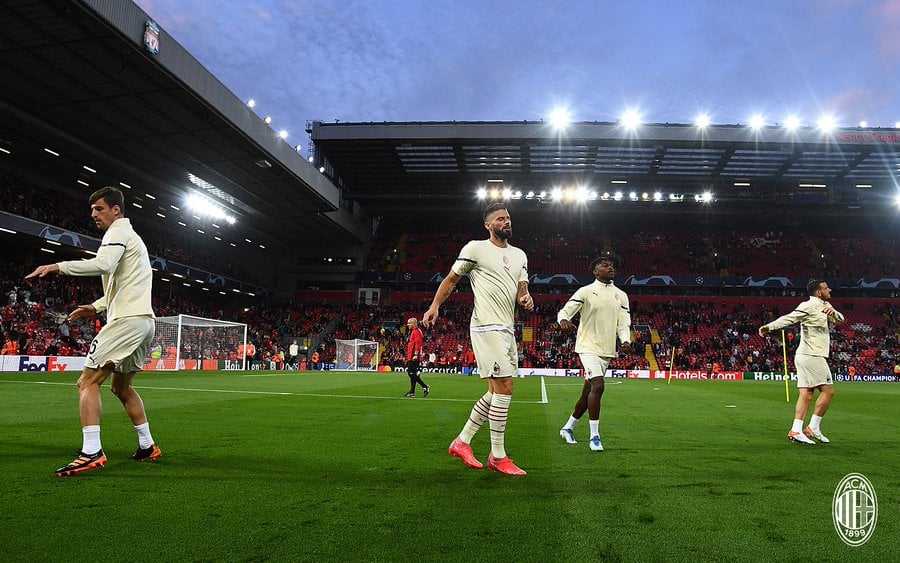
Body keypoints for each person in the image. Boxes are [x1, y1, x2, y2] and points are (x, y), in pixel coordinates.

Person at [25, 186, 161, 476]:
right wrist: (96, 307)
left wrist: (58, 266)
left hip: (126, 321)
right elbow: (122, 284)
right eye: (92, 210)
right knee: (120, 388)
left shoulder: (117, 233)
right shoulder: (131, 238)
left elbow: (103, 264)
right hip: (144, 322)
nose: (93, 214)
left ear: (116, 210)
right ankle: (148, 445)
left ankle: (92, 452)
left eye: (99, 208)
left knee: (86, 382)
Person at [423, 202, 533, 476]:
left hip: (507, 328)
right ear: (488, 225)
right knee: (505, 387)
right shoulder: (475, 249)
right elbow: (450, 280)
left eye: (508, 218)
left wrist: (525, 297)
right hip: (486, 325)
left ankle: (462, 442)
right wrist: (434, 306)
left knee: (495, 392)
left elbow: (522, 286)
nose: (506, 222)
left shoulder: (520, 255)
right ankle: (498, 456)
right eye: (500, 219)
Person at [557, 257, 632, 452]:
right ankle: (595, 437)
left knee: (588, 392)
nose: (610, 267)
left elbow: (623, 323)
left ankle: (568, 427)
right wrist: (563, 320)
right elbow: (566, 311)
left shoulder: (621, 295)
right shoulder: (586, 291)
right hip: (587, 346)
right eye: (605, 265)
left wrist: (625, 341)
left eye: (612, 265)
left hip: (606, 350)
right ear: (595, 271)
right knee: (598, 386)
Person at [758, 279, 844, 445]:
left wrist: (833, 313)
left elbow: (841, 319)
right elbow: (790, 318)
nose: (830, 289)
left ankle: (796, 430)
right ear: (818, 292)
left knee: (806, 394)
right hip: (812, 355)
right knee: (828, 391)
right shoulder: (808, 306)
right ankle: (813, 427)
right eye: (826, 288)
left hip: (807, 355)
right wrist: (770, 326)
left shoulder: (826, 306)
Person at [404, 317, 430, 397]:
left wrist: (415, 354)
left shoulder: (416, 331)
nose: (408, 325)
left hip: (413, 356)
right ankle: (412, 392)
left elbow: (418, 343)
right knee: (413, 374)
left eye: (409, 323)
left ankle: (425, 386)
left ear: (414, 323)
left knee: (411, 374)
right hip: (411, 356)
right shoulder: (414, 331)